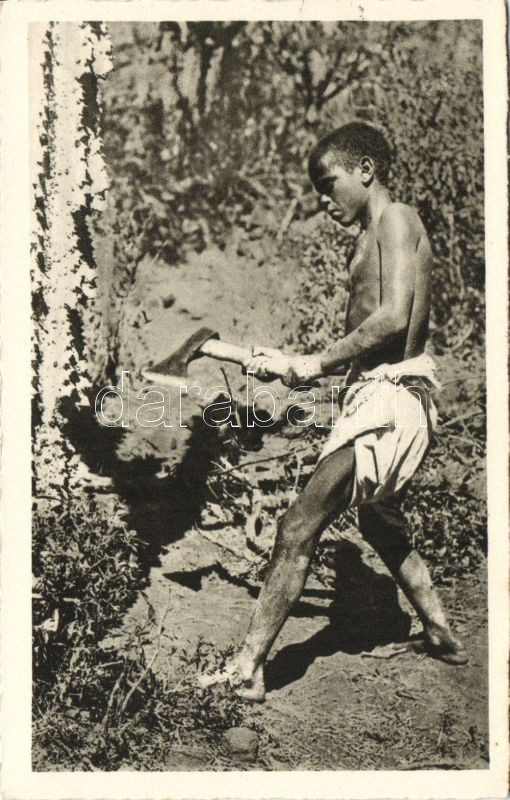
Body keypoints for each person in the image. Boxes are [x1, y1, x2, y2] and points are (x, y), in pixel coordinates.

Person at [199, 120, 467, 702]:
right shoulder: (370, 236)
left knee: (298, 525)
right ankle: (442, 633)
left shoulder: (395, 219)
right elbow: (372, 332)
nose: (323, 201)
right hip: (382, 396)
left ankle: (246, 668)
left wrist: (316, 364)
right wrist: (281, 362)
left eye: (329, 183)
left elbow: (395, 317)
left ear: (365, 170)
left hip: (392, 401)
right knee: (379, 522)